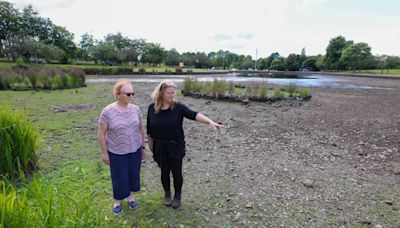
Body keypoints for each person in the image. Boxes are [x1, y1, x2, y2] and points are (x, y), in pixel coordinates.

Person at [146, 81, 223, 209]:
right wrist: (152, 148)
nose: (172, 95)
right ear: (161, 93)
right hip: (159, 146)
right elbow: (149, 130)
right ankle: (167, 194)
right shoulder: (151, 108)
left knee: (177, 172)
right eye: (169, 93)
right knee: (164, 172)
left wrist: (210, 122)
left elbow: (194, 115)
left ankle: (177, 196)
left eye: (173, 92)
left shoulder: (178, 107)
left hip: (175, 146)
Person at [98, 80, 145, 214]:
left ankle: (130, 197)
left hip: (135, 149)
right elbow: (101, 133)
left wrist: (142, 148)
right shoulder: (107, 111)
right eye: (128, 94)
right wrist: (104, 153)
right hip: (117, 151)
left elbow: (140, 129)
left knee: (133, 174)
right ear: (118, 94)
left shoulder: (136, 109)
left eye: (133, 94)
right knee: (119, 177)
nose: (131, 97)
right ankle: (117, 200)